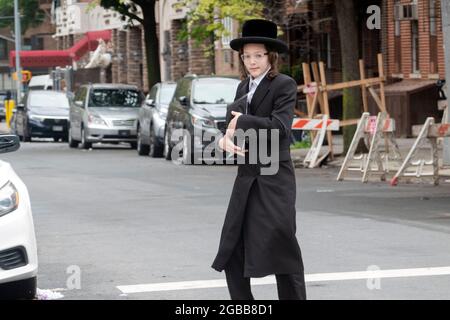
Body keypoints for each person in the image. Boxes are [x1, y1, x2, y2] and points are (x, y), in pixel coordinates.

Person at [211, 19, 307, 300]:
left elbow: (280, 128)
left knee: (283, 247)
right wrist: (223, 138)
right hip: (247, 177)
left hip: (275, 178)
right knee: (232, 247)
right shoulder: (243, 88)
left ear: (270, 56)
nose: (252, 61)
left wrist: (241, 123)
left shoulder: (284, 85)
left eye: (258, 55)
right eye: (247, 56)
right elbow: (229, 125)